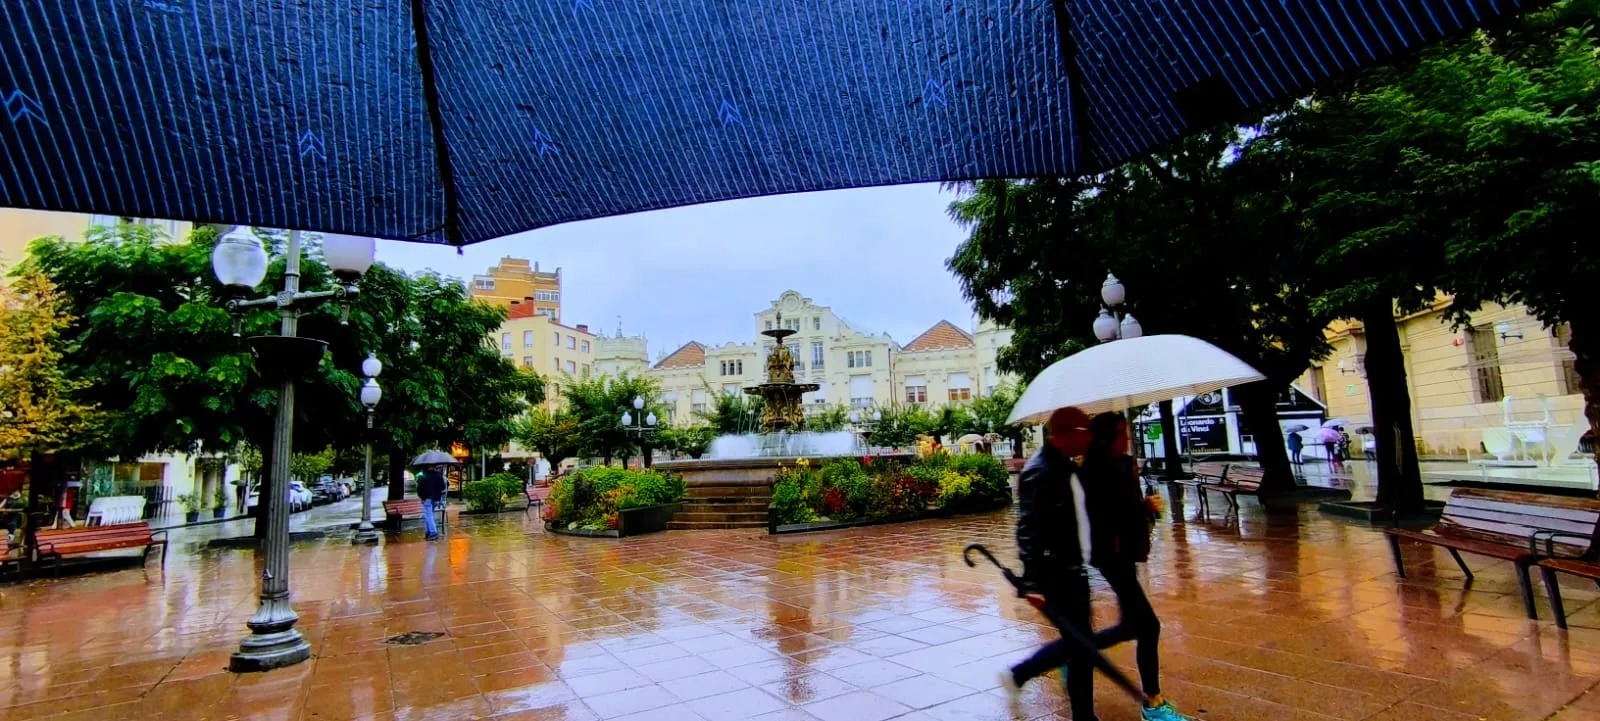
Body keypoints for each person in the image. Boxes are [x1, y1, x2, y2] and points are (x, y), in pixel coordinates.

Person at [1078, 412, 1193, 721]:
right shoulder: (1095, 471)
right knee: (1149, 625)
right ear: (1107, 438)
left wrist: (1142, 505)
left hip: (1123, 553)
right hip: (1113, 556)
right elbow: (1110, 516)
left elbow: (1128, 512)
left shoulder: (1119, 464)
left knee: (1131, 626)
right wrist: (1143, 507)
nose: (1126, 438)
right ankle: (1153, 703)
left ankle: (1074, 651)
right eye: (1121, 433)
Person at [1001, 406, 1097, 720]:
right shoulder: (1040, 471)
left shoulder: (1065, 467)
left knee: (1080, 645)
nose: (1090, 439)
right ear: (1070, 434)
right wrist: (1031, 581)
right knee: (1081, 645)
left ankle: (1021, 674)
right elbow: (1028, 527)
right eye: (1087, 432)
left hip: (1072, 568)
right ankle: (1081, 714)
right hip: (1058, 573)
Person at [416, 465, 447, 541]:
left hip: (427, 498)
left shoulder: (423, 477)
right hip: (436, 499)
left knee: (428, 515)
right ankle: (428, 532)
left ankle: (433, 532)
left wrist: (422, 497)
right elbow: (443, 487)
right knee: (429, 515)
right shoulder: (439, 476)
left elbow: (419, 489)